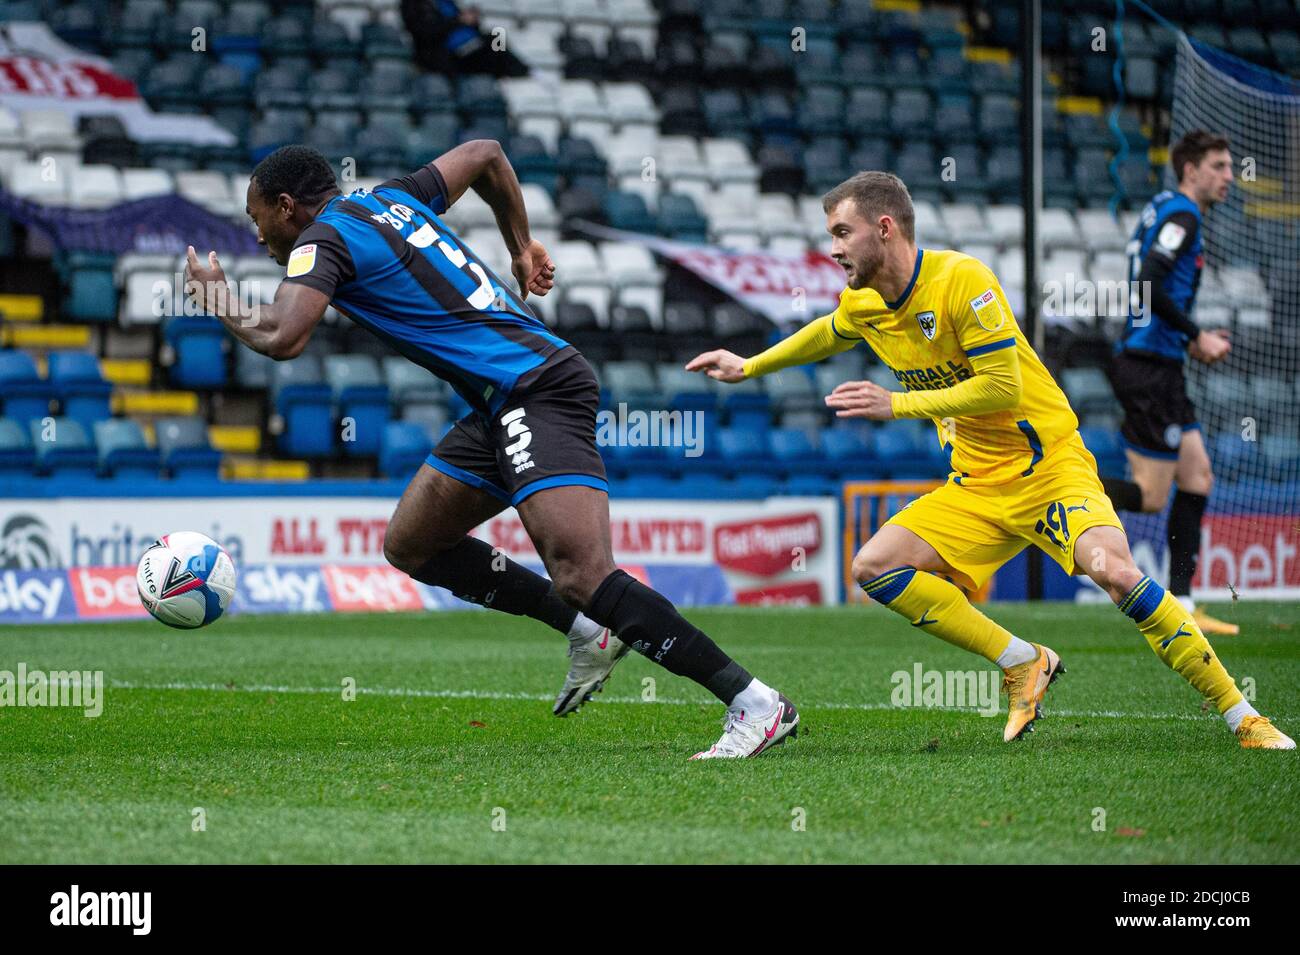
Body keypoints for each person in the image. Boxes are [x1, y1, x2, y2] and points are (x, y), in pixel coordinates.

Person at [183, 142, 798, 759]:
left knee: (582, 573)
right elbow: (485, 155)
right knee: (413, 544)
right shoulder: (389, 198)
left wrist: (219, 302)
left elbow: (283, 335)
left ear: (286, 206)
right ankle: (586, 628)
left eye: (256, 215)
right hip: (498, 400)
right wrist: (519, 245)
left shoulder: (320, 242)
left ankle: (755, 703)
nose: (257, 233)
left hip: (535, 389)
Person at [687, 170, 1292, 749]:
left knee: (1116, 573)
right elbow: (827, 332)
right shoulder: (864, 301)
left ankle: (1245, 716)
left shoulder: (961, 281)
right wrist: (750, 365)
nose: (834, 249)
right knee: (874, 568)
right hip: (975, 486)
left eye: (842, 234)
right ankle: (1022, 660)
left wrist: (897, 403)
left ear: (886, 228)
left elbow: (1001, 386)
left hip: (1048, 469)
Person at [1102, 130, 1239, 636]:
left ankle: (1183, 601)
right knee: (1152, 496)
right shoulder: (1183, 214)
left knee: (1198, 475)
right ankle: (1060, 490)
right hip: (1148, 366)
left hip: (1160, 364)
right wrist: (1196, 334)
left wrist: (1188, 341)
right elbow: (1152, 283)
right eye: (1220, 167)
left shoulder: (1163, 206)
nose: (1229, 177)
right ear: (1190, 170)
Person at [399, 0, 528, 78]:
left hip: (467, 45)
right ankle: (519, 72)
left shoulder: (446, 2)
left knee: (497, 37)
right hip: (442, 54)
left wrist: (472, 20)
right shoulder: (412, 3)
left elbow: (466, 24)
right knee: (492, 47)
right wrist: (459, 20)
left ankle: (517, 72)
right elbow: (425, 32)